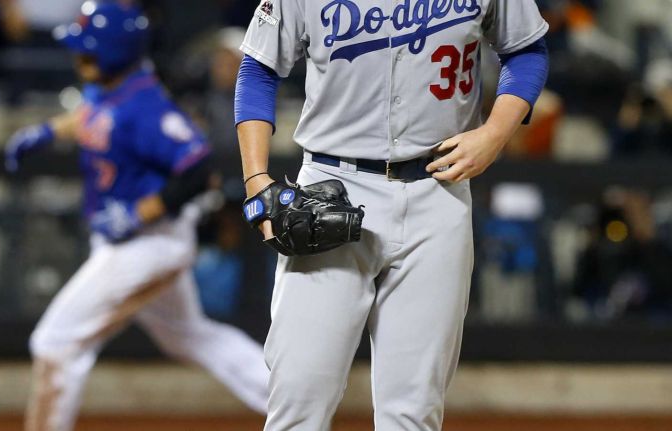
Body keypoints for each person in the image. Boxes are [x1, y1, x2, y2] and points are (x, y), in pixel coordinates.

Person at [234, 0, 549, 429]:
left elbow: (527, 50)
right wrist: (256, 179)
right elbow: (258, 68)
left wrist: (495, 134)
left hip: (438, 189)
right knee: (299, 393)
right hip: (331, 187)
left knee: (414, 410)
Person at [5, 2, 269, 430]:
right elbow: (94, 115)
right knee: (192, 337)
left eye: (86, 49)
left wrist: (137, 213)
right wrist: (49, 131)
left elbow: (199, 168)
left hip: (147, 244)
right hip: (136, 242)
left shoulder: (147, 105)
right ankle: (291, 403)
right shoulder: (111, 86)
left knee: (55, 343)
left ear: (112, 52)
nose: (78, 56)